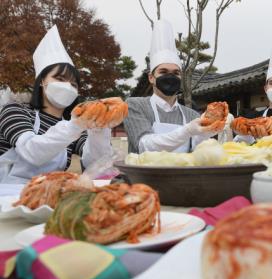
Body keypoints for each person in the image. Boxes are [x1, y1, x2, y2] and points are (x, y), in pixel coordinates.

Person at [0, 25, 113, 183]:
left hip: (47, 198)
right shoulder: (15, 110)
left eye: (74, 84)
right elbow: (31, 151)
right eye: (59, 79)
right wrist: (77, 124)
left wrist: (100, 130)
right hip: (5, 197)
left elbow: (96, 164)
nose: (68, 86)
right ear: (41, 81)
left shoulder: (72, 126)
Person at [124, 20, 217, 153]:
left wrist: (205, 134)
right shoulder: (135, 105)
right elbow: (144, 145)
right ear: (151, 77)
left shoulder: (191, 115)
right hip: (144, 174)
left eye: (176, 73)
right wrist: (186, 131)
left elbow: (199, 153)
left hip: (182, 174)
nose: (170, 77)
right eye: (163, 72)